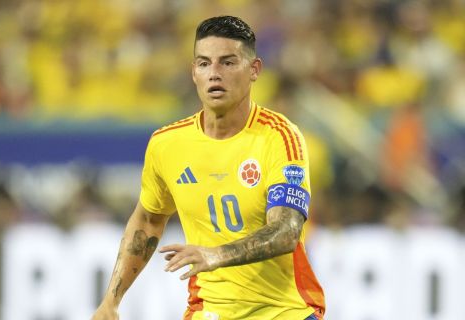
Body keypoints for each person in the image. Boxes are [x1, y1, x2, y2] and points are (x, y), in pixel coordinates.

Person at [92, 15, 325, 320]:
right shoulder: (167, 144)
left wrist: (216, 255)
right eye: (204, 63)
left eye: (228, 63)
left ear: (254, 70)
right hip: (208, 311)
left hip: (284, 312)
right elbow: (148, 221)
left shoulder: (279, 137)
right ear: (193, 72)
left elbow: (286, 231)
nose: (214, 74)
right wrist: (111, 300)